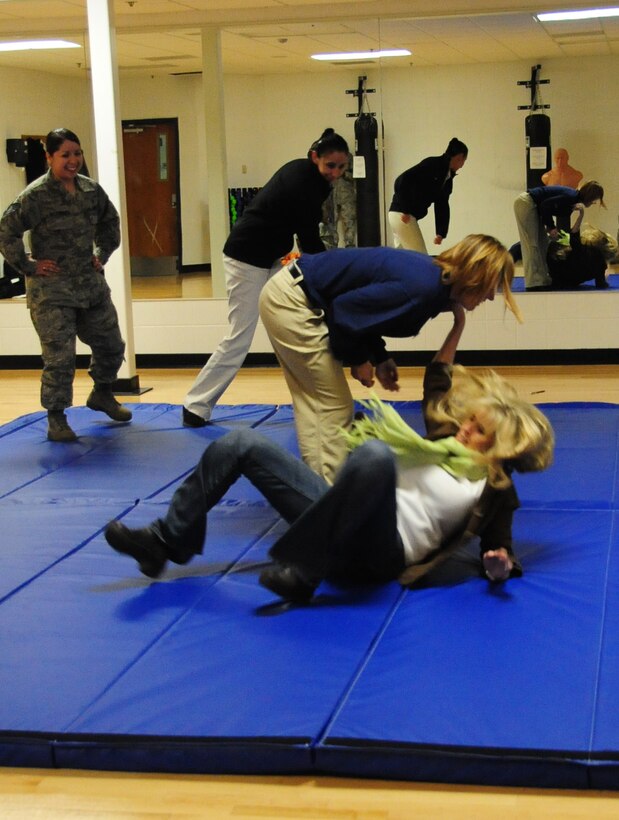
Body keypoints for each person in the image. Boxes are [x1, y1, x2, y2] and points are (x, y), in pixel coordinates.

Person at [104, 308, 554, 605]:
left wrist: (498, 566)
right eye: (470, 420)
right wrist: (457, 324)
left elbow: (501, 549)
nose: (466, 428)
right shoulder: (443, 438)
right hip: (342, 518)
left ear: (499, 449)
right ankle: (165, 543)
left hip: (381, 555)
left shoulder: (494, 490)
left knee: (374, 455)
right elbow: (438, 380)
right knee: (241, 443)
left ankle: (306, 571)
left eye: (479, 432)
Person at [258, 234, 521, 484]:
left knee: (317, 403)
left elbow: (365, 312)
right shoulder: (422, 289)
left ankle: (318, 492)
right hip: (294, 302)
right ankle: (325, 499)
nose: (490, 296)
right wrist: (360, 359)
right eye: (492, 287)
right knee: (331, 407)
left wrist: (380, 357)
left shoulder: (433, 283)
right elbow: (344, 310)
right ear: (475, 277)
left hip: (296, 294)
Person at [182, 128, 350, 428]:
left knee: (296, 326)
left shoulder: (314, 179)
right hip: (245, 259)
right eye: (330, 166)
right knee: (239, 337)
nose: (335, 173)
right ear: (315, 158)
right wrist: (332, 273)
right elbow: (309, 239)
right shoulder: (303, 180)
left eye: (341, 167)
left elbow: (307, 237)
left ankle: (319, 402)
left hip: (271, 258)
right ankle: (195, 405)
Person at [0, 128, 131, 442]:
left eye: (77, 153)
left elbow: (110, 222)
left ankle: (102, 393)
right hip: (52, 290)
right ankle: (56, 417)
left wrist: (102, 253)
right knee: (60, 358)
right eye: (65, 155)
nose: (73, 161)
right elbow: (6, 230)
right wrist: (28, 265)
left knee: (111, 345)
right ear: (49, 158)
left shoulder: (90, 191)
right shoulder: (35, 195)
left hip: (89, 286)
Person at [513, 180, 605, 290]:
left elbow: (549, 209)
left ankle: (542, 280)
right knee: (532, 244)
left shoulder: (572, 201)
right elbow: (545, 206)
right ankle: (533, 283)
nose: (593, 203)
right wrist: (551, 227)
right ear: (590, 197)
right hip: (527, 202)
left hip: (534, 204)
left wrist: (551, 227)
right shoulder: (570, 197)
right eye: (594, 200)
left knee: (542, 244)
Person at [388, 137, 468, 254]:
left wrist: (440, 233)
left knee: (403, 258)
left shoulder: (447, 178)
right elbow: (402, 180)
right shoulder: (432, 164)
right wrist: (405, 210)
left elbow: (442, 205)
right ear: (459, 158)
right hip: (402, 215)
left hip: (400, 215)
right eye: (463, 161)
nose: (462, 165)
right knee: (420, 258)